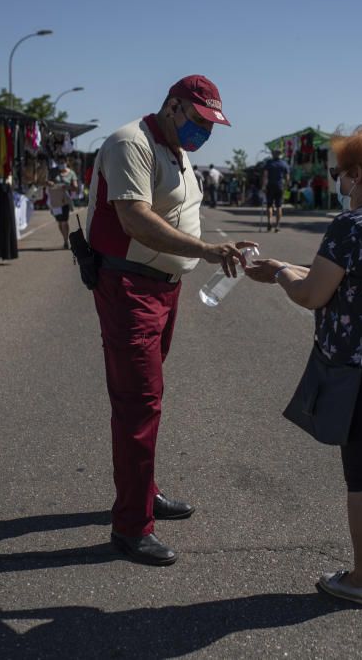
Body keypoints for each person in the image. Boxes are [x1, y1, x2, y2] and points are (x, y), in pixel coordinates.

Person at [245, 128, 362, 607]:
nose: (338, 180)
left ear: (358, 174)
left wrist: (282, 275)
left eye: (340, 172)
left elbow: (312, 295)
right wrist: (289, 266)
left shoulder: (353, 225)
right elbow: (353, 283)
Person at [84, 75, 254, 567]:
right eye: (200, 121)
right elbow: (134, 218)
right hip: (130, 287)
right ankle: (132, 527)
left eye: (211, 126)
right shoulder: (129, 143)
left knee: (149, 400)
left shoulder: (176, 148)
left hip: (161, 288)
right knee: (139, 405)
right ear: (173, 107)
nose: (206, 133)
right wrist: (205, 250)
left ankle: (144, 492)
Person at [51, 159, 78, 248]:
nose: (61, 164)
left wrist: (67, 187)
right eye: (60, 162)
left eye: (62, 162)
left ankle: (66, 241)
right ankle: (64, 238)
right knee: (59, 222)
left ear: (66, 162)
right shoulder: (54, 172)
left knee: (64, 221)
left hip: (65, 200)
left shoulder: (71, 173)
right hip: (56, 201)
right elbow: (48, 182)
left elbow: (75, 187)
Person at [261, 149, 290, 232]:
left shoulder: (269, 163)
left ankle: (270, 221)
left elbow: (265, 176)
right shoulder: (284, 164)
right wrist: (286, 187)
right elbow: (287, 178)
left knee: (269, 205)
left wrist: (264, 186)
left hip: (270, 186)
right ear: (280, 155)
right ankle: (277, 225)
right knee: (279, 206)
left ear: (273, 154)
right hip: (280, 186)